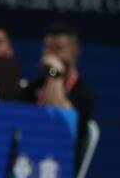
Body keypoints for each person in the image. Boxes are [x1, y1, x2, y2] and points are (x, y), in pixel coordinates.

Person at [25, 22, 94, 169]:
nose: (52, 55)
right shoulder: (34, 87)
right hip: (30, 157)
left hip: (62, 163)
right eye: (48, 48)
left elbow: (63, 120)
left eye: (58, 48)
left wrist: (55, 72)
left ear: (75, 52)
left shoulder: (83, 90)